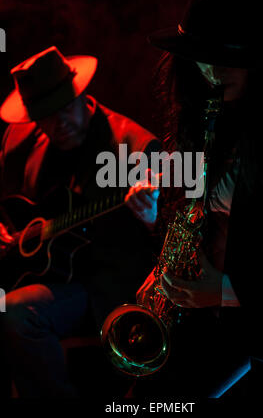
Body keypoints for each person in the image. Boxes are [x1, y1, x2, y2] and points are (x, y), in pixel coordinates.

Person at [126, 0, 263, 397]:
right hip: (202, 317)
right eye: (202, 55)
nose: (211, 70)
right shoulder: (198, 111)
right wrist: (163, 267)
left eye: (228, 56)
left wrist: (226, 292)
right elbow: (188, 215)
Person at [0, 45, 160, 398]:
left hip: (110, 286)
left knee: (14, 312)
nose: (59, 124)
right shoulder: (21, 142)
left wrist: (151, 219)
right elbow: (9, 204)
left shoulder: (133, 149)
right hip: (48, 275)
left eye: (65, 108)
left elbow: (173, 238)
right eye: (45, 115)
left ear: (82, 94)